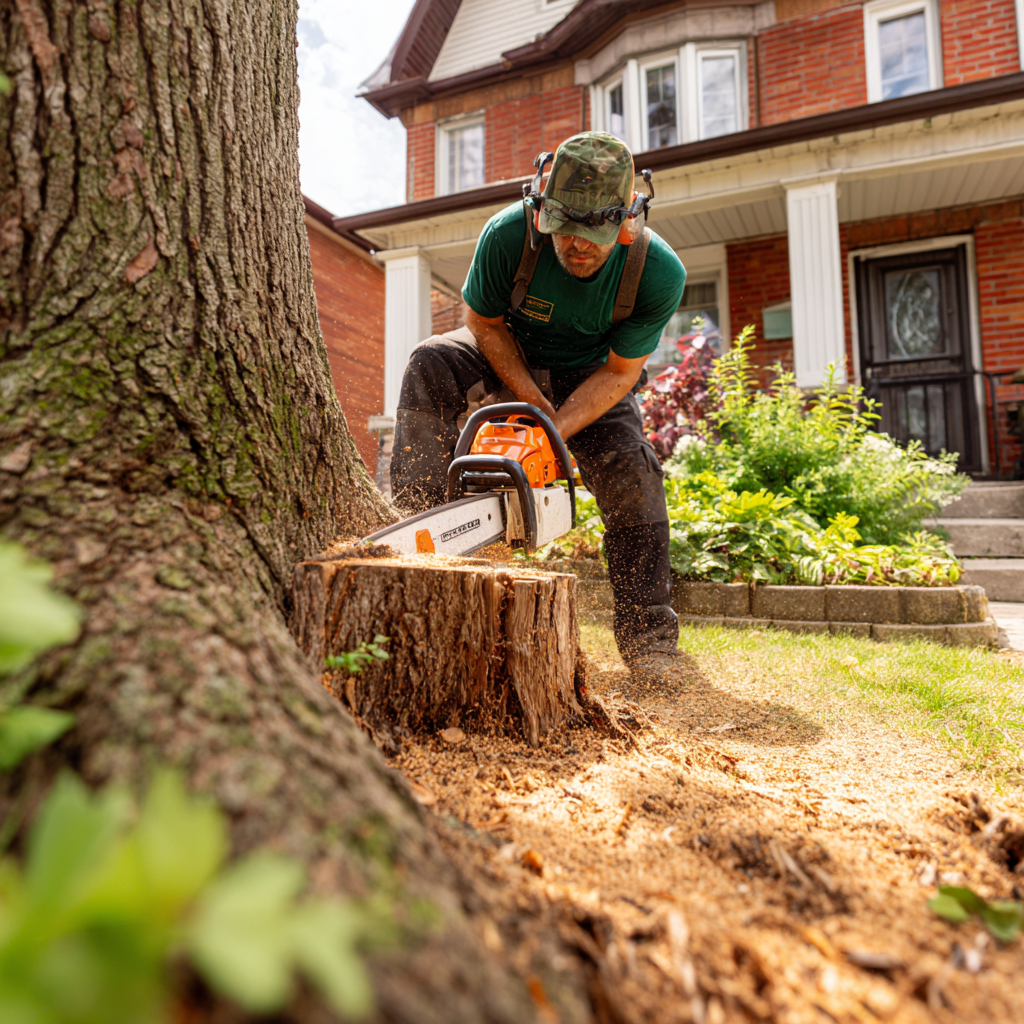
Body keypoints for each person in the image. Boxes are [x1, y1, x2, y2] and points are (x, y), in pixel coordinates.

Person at [390, 131, 692, 688]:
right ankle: (414, 535)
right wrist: (529, 400)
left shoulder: (658, 272)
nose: (576, 245)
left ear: (627, 222)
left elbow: (622, 373)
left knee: (634, 467)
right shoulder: (508, 234)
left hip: (593, 373)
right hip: (509, 352)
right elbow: (481, 321)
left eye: (592, 233)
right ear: (540, 209)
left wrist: (548, 432)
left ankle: (650, 640)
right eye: (564, 229)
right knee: (431, 359)